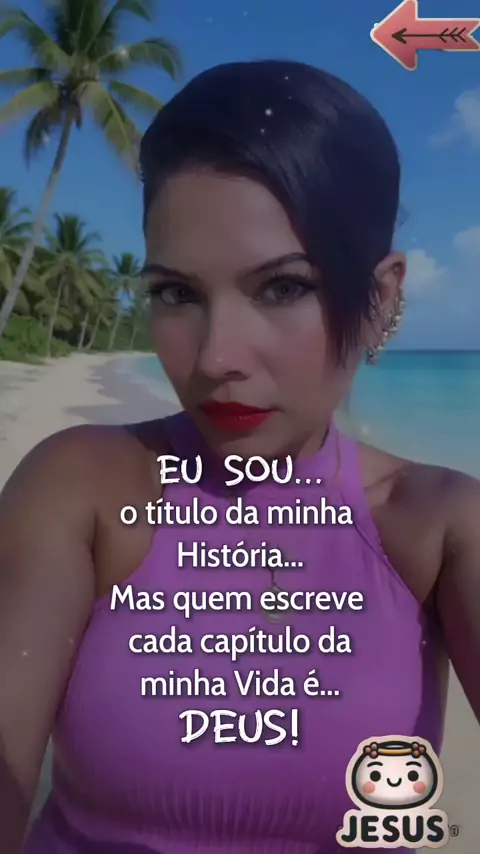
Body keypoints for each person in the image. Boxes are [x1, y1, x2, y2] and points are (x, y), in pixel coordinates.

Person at [1, 59, 479, 854]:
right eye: (177, 294)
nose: (216, 357)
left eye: (283, 287)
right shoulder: (82, 490)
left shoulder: (438, 528)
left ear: (382, 298)